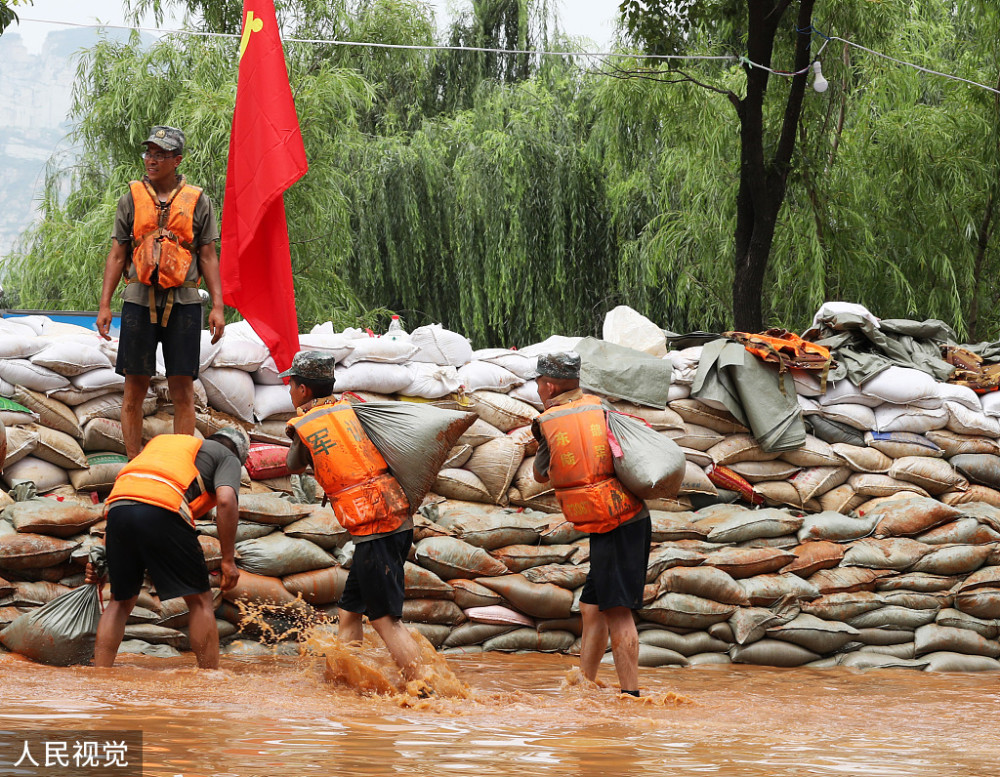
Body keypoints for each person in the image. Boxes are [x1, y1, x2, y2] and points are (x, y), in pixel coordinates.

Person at [281, 351, 426, 682]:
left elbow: (292, 465)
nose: (289, 392)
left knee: (385, 619)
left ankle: (426, 689)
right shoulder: (352, 409)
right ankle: (346, 680)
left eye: (291, 385)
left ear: (303, 390)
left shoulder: (306, 422)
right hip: (392, 519)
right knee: (350, 611)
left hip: (376, 528)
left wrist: (300, 424)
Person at [96, 125, 226, 460]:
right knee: (134, 388)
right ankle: (134, 464)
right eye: (149, 153)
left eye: (160, 154)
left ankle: (179, 466)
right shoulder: (131, 198)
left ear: (177, 160)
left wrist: (218, 308)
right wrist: (105, 305)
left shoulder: (199, 201)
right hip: (138, 301)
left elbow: (208, 256)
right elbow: (117, 255)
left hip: (184, 303)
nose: (152, 160)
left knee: (183, 389)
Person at [531, 352, 651, 697]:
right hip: (624, 518)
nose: (538, 388)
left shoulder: (549, 420)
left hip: (615, 522)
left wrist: (542, 443)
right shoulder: (600, 407)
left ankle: (631, 696)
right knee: (591, 606)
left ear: (550, 385)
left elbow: (539, 476)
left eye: (538, 382)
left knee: (617, 610)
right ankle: (586, 685)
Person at [88, 427, 249, 669]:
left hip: (117, 510)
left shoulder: (163, 443)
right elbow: (226, 500)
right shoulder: (228, 457)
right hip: (164, 508)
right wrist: (227, 560)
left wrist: (101, 555)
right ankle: (210, 679)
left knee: (120, 601)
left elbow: (134, 492)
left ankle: (101, 673)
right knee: (200, 600)